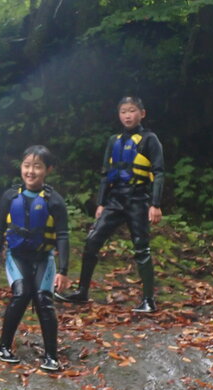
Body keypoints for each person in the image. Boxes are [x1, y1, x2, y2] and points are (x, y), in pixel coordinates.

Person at [55, 96, 164, 313]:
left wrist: (155, 204)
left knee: (141, 248)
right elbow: (106, 174)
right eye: (123, 111)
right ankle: (82, 292)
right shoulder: (114, 140)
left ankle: (149, 300)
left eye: (132, 111)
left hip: (138, 199)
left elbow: (159, 172)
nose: (127, 115)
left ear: (142, 113)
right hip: (116, 199)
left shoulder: (149, 139)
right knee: (92, 241)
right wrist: (101, 203)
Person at [0, 145, 70, 371]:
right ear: (20, 167)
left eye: (37, 167)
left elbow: (62, 236)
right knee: (22, 294)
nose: (30, 171)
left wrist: (63, 270)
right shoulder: (10, 196)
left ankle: (51, 356)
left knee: (44, 301)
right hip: (17, 256)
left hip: (44, 258)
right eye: (26, 166)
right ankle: (4, 346)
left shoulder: (55, 201)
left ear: (48, 170)